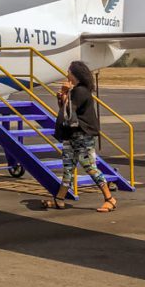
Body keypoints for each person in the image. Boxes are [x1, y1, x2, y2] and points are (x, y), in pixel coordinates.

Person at [43, 60, 118, 213]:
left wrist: (65, 94)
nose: (67, 74)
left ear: (75, 74)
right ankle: (60, 199)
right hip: (72, 135)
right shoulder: (76, 91)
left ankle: (109, 199)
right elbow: (66, 111)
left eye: (69, 71)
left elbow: (70, 113)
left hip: (82, 135)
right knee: (68, 167)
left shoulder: (80, 91)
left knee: (89, 166)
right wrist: (63, 96)